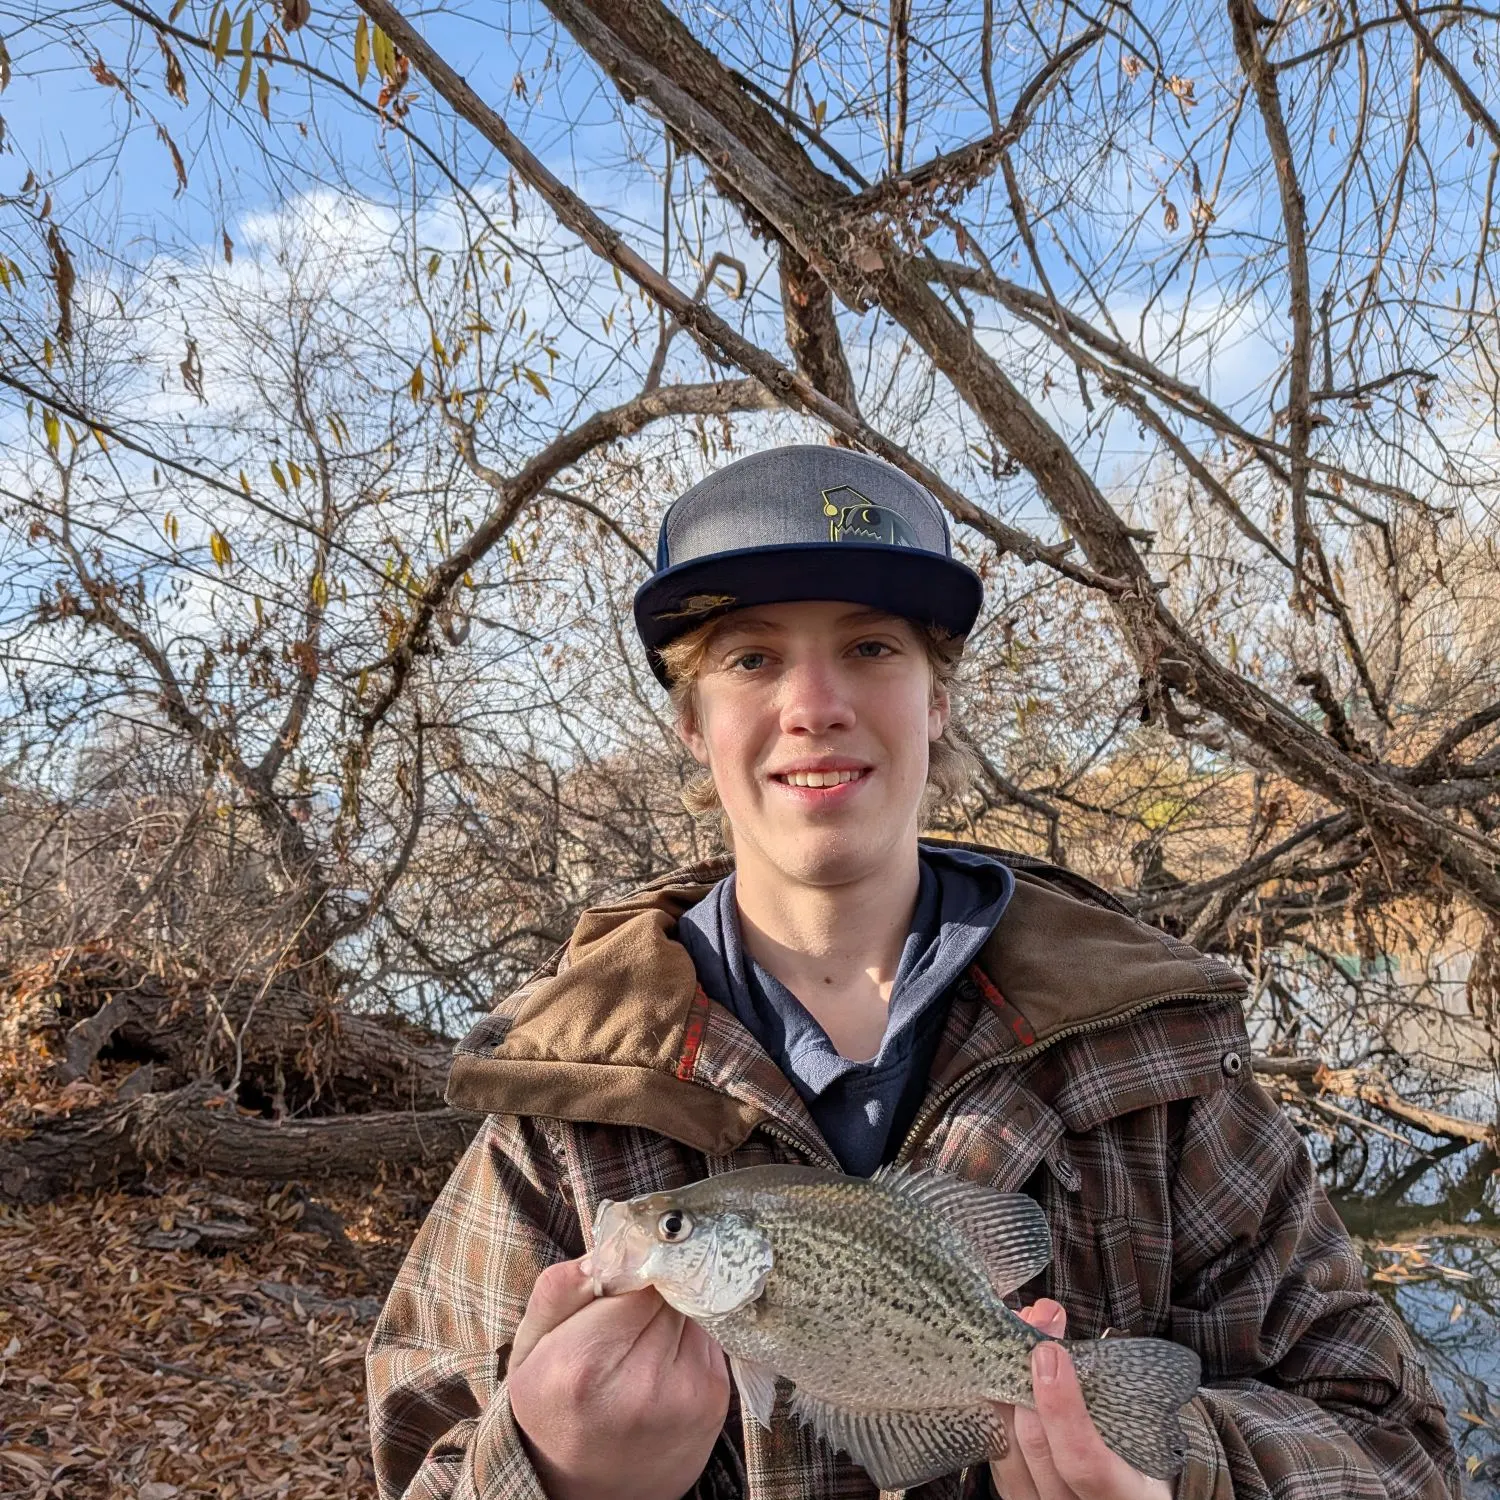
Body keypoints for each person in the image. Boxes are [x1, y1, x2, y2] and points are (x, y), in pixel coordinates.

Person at [366, 445, 1460, 1500]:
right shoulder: (565, 1103)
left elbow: (1396, 1449)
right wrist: (551, 1475)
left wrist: (1189, 1476)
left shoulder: (1158, 1062)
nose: (814, 704)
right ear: (693, 725)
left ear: (939, 700)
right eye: (751, 658)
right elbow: (420, 1453)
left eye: (873, 648)